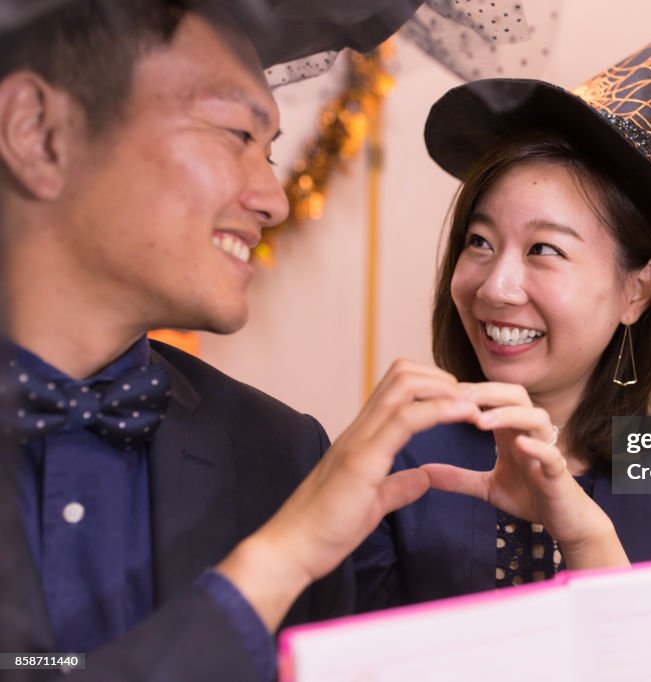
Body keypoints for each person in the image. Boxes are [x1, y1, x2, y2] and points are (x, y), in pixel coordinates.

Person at [0, 1, 497, 680]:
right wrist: (277, 561)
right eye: (236, 133)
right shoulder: (308, 510)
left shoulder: (283, 454)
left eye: (270, 151)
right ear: (40, 131)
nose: (274, 198)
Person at [352, 0, 651, 612]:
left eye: (543, 249)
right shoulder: (402, 453)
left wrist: (586, 538)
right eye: (479, 241)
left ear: (634, 291)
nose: (496, 287)